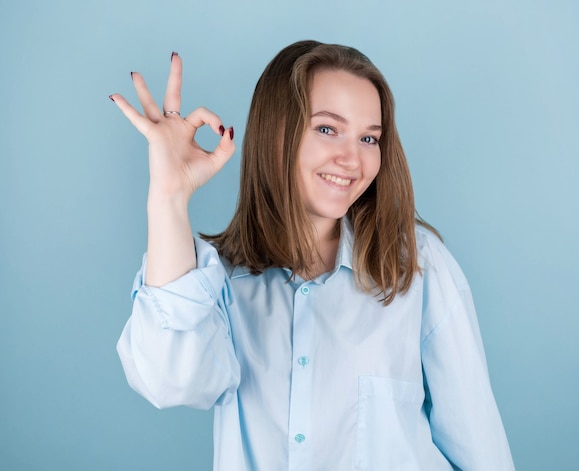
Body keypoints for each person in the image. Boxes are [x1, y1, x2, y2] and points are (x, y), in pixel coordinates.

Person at [111, 40, 515, 470]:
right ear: (276, 132)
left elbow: (479, 448)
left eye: (368, 138)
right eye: (327, 129)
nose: (352, 159)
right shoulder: (219, 279)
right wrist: (169, 196)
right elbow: (170, 381)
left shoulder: (418, 265)